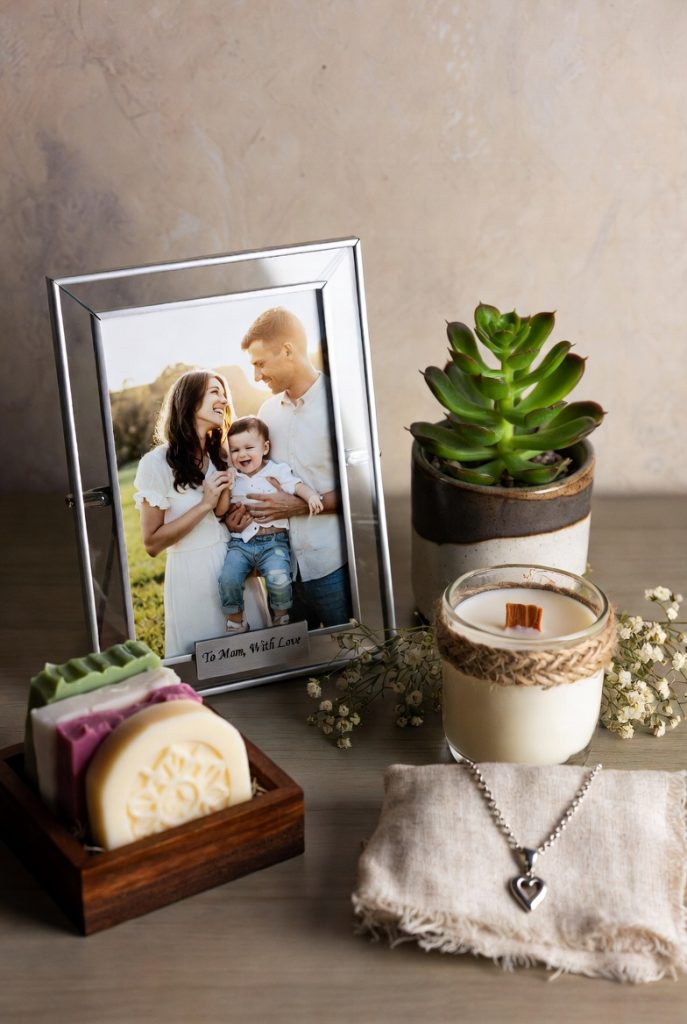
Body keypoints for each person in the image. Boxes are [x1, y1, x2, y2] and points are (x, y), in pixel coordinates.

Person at [231, 307, 353, 629]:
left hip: (333, 568)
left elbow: (362, 489)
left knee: (353, 657)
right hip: (281, 570)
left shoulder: (340, 404)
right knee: (296, 665)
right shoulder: (266, 413)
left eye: (260, 364)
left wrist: (300, 505)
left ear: (287, 351)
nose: (257, 376)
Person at [133, 370, 269, 658]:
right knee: (207, 669)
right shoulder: (155, 464)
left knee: (256, 657)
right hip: (191, 577)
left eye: (225, 393)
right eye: (214, 392)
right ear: (190, 401)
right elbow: (152, 543)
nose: (224, 400)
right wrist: (205, 504)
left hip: (234, 567)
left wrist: (229, 519)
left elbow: (226, 516)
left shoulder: (222, 456)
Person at [216, 416, 323, 633]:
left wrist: (311, 495)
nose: (242, 454)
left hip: (273, 542)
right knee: (228, 577)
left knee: (279, 578)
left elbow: (296, 485)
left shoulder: (277, 471)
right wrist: (227, 486)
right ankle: (236, 622)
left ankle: (281, 618)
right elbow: (222, 509)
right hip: (241, 544)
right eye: (235, 450)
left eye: (248, 447)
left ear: (265, 448)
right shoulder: (233, 477)